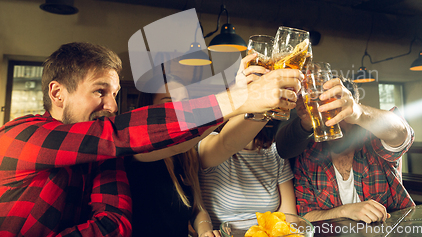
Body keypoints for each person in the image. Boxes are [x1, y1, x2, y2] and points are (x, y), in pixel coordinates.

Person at [0, 42, 302, 237]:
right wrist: (236, 98)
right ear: (57, 93)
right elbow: (121, 133)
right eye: (100, 91)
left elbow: (114, 225)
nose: (113, 106)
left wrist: (258, 107)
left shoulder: (106, 157)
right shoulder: (20, 136)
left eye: (115, 95)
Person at [275, 76, 415, 224]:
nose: (332, 123)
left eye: (339, 113)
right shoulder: (309, 154)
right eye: (327, 114)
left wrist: (359, 112)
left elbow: (402, 133)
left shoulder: (373, 138)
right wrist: (344, 211)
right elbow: (305, 216)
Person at [198, 61, 298, 230]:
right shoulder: (207, 142)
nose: (258, 98)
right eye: (252, 93)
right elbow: (226, 144)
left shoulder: (273, 151)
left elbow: (290, 217)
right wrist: (258, 100)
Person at [124, 74, 219, 237]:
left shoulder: (186, 154)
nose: (180, 109)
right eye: (169, 102)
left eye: (184, 102)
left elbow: (197, 208)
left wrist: (205, 231)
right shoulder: (134, 149)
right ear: (148, 107)